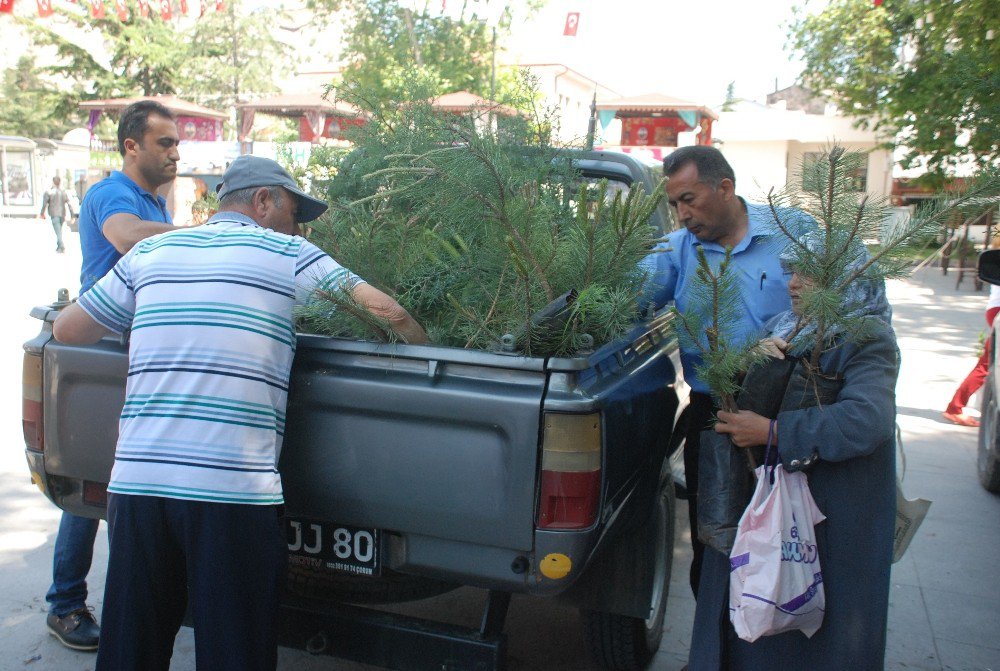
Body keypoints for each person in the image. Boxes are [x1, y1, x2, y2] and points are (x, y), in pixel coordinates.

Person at [52, 155, 428, 670]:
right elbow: (389, 312)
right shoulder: (288, 253)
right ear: (263, 201)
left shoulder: (154, 251)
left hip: (139, 486)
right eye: (295, 211)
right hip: (233, 494)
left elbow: (69, 330)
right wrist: (428, 350)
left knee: (130, 647)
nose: (299, 226)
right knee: (234, 652)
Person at [691, 238, 898, 670]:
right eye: (792, 271)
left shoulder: (868, 339)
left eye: (810, 274)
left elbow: (867, 421)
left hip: (824, 521)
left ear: (847, 279)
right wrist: (746, 362)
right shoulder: (787, 326)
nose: (794, 283)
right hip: (769, 507)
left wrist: (773, 432)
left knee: (807, 639)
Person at [641, 146, 813, 597]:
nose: (681, 214)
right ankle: (711, 653)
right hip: (715, 415)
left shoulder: (791, 231)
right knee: (715, 540)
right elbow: (626, 301)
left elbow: (841, 298)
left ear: (725, 188)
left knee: (791, 536)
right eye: (674, 204)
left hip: (788, 411)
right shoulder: (677, 251)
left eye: (689, 199)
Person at [45, 100, 180, 652]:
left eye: (176, 143)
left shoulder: (153, 198)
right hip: (104, 350)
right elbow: (124, 237)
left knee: (123, 479)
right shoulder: (112, 194)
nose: (175, 152)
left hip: (137, 348)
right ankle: (65, 604)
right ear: (131, 146)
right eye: (164, 143)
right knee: (95, 482)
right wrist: (199, 234)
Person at [943, 284, 1000, 426]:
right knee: (985, 366)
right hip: (998, 309)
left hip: (995, 308)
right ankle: (955, 408)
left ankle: (955, 407)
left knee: (986, 364)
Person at [38, 175, 76, 253]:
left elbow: (44, 204)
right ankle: (59, 246)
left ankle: (61, 246)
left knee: (58, 231)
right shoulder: (63, 192)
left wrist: (42, 213)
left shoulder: (49, 192)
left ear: (53, 182)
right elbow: (69, 204)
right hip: (62, 214)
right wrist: (72, 215)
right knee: (59, 230)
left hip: (54, 214)